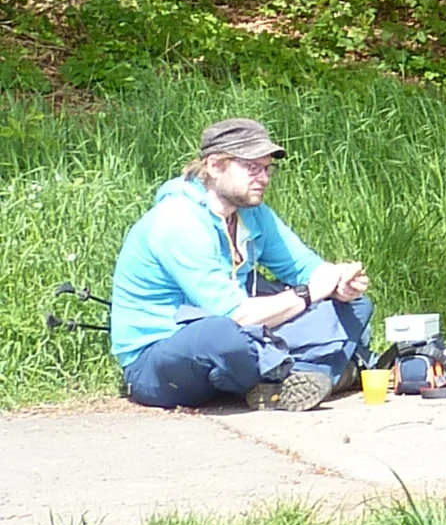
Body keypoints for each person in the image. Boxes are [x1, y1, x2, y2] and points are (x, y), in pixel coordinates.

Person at [110, 118, 374, 411]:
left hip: (242, 337)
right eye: (252, 167)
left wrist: (341, 280)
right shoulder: (177, 220)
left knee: (356, 306)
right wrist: (308, 293)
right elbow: (236, 314)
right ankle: (322, 372)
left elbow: (306, 267)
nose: (264, 178)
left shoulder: (253, 213)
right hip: (161, 357)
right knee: (221, 336)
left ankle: (282, 380)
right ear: (215, 166)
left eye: (267, 168)